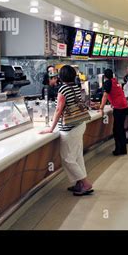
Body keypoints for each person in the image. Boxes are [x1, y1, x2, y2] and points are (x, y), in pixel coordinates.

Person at [40, 65, 93, 196]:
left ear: (61, 76)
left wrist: (51, 128)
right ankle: (79, 183)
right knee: (77, 156)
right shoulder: (75, 86)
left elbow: (58, 109)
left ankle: (85, 183)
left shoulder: (63, 89)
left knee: (67, 158)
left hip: (70, 128)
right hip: (80, 124)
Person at [100, 69, 128, 156]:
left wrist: (101, 108)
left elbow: (105, 95)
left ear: (105, 76)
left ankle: (119, 150)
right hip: (123, 106)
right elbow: (116, 94)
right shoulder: (115, 81)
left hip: (119, 108)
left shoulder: (108, 82)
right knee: (120, 129)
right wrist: (113, 103)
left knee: (117, 130)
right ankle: (123, 149)